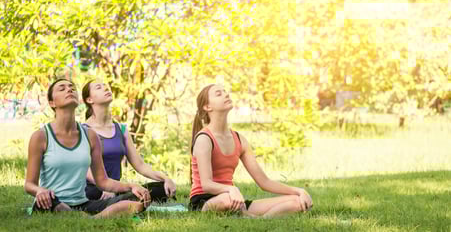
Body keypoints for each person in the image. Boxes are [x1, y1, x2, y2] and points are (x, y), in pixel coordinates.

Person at [24, 78, 151, 217]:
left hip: (83, 204)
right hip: (52, 202)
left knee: (137, 199)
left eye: (72, 88)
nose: (69, 89)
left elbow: (103, 181)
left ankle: (85, 218)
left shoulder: (90, 135)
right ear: (52, 103)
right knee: (51, 202)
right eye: (62, 88)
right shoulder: (41, 136)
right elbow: (29, 184)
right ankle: (93, 218)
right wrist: (40, 191)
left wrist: (131, 186)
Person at [189, 84, 313, 217]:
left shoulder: (239, 140)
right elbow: (206, 184)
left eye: (225, 92)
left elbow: (264, 182)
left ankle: (258, 221)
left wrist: (299, 191)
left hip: (234, 199)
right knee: (226, 199)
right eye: (219, 94)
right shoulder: (204, 139)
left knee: (297, 202)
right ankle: (248, 216)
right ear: (207, 107)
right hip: (204, 202)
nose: (226, 94)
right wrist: (231, 189)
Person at [82, 80, 176, 202]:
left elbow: (140, 165)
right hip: (93, 189)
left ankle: (123, 201)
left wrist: (165, 178)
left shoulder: (121, 129)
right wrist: (106, 186)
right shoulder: (84, 130)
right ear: (89, 100)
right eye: (99, 87)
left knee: (159, 188)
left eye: (106, 86)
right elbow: (83, 168)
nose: (105, 88)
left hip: (116, 189)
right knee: (128, 196)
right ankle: (121, 202)